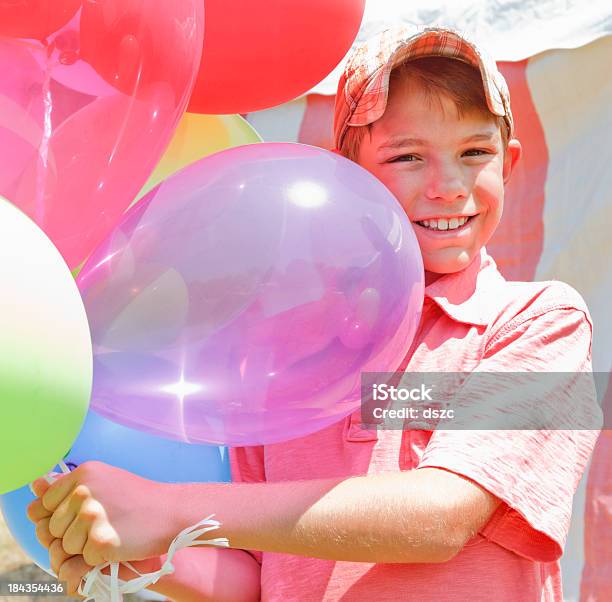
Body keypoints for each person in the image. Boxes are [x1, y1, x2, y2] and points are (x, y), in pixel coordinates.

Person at [27, 26, 600, 601]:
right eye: (407, 156)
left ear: (510, 163)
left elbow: (443, 515)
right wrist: (149, 554)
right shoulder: (280, 347)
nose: (448, 186)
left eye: (475, 152)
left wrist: (166, 508)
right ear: (346, 174)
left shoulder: (542, 321)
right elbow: (262, 575)